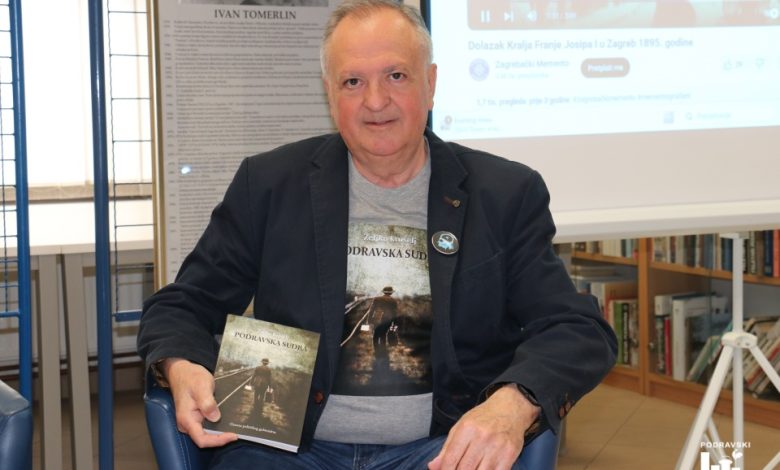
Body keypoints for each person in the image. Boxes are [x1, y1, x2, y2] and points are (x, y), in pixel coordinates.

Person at [137, 1, 617, 469]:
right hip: (289, 450)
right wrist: (182, 365)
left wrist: (513, 402)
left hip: (439, 449)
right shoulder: (268, 185)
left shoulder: (504, 193)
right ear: (330, 95)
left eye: (396, 76)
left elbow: (577, 328)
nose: (375, 101)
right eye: (353, 81)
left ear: (430, 84)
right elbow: (180, 306)